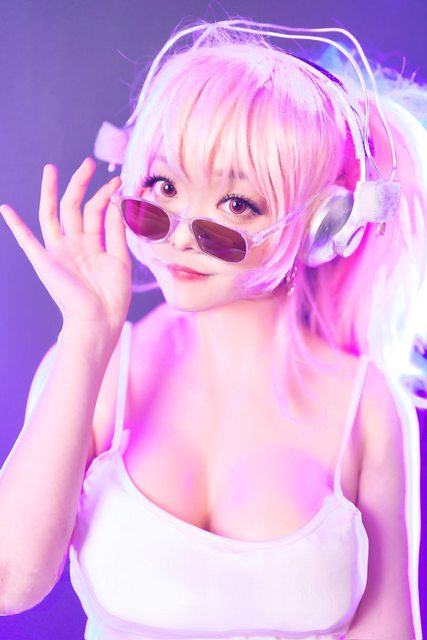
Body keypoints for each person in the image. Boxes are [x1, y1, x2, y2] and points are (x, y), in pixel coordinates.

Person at [0, 17, 425, 640]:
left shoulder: (368, 407)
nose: (179, 234)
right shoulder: (97, 368)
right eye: (165, 186)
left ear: (323, 226)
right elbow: (10, 581)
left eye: (236, 204)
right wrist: (86, 336)